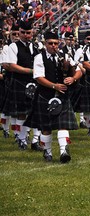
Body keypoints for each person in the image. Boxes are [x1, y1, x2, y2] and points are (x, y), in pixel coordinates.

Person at [24, 31, 82, 163]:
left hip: (62, 96)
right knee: (46, 128)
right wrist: (54, 86)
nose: (53, 46)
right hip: (45, 96)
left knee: (63, 125)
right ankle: (47, 152)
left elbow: (79, 70)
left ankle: (64, 151)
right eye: (50, 43)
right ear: (45, 44)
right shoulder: (40, 57)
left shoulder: (65, 56)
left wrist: (72, 79)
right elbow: (39, 78)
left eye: (56, 43)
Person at [3, 21, 42, 151]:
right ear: (19, 32)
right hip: (20, 83)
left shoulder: (37, 46)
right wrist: (31, 71)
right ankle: (21, 138)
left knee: (36, 112)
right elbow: (12, 66)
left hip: (35, 83)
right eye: (23, 33)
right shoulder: (13, 47)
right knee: (21, 114)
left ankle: (36, 140)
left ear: (32, 33)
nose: (25, 35)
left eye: (28, 33)